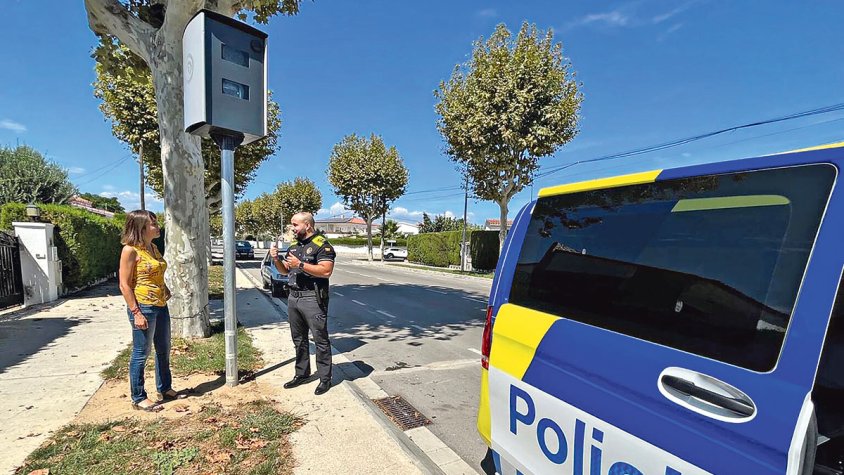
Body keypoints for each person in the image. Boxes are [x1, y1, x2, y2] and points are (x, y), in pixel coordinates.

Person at [118, 210, 186, 411]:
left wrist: (165, 289)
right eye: (153, 224)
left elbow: (156, 273)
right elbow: (124, 284)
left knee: (164, 349)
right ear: (141, 228)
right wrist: (136, 312)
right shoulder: (130, 250)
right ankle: (138, 397)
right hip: (143, 307)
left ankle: (165, 388)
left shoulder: (153, 247)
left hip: (160, 305)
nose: (158, 227)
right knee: (141, 352)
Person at [270, 211, 336, 395]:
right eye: (292, 224)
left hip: (312, 298)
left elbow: (326, 271)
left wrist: (300, 264)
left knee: (320, 340)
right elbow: (284, 271)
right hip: (293, 297)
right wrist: (275, 258)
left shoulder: (322, 245)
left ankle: (325, 379)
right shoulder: (294, 246)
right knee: (299, 339)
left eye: (295, 224)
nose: (292, 228)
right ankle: (302, 374)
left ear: (307, 225)